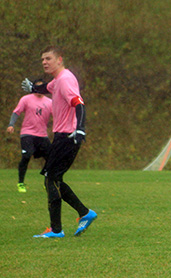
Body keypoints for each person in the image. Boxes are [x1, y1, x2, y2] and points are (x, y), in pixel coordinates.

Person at [21, 45, 97, 238]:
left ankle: (56, 230)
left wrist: (80, 129)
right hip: (63, 136)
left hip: (68, 136)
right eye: (42, 59)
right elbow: (46, 88)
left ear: (59, 59)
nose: (45, 62)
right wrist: (33, 88)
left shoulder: (65, 80)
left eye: (48, 58)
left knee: (51, 178)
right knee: (54, 179)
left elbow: (78, 103)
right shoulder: (57, 81)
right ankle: (85, 213)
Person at [6, 89, 52, 193]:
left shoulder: (50, 102)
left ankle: (47, 182)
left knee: (51, 158)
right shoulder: (26, 99)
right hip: (27, 133)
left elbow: (58, 115)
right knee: (26, 156)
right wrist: (11, 124)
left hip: (42, 135)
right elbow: (16, 112)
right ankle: (21, 183)